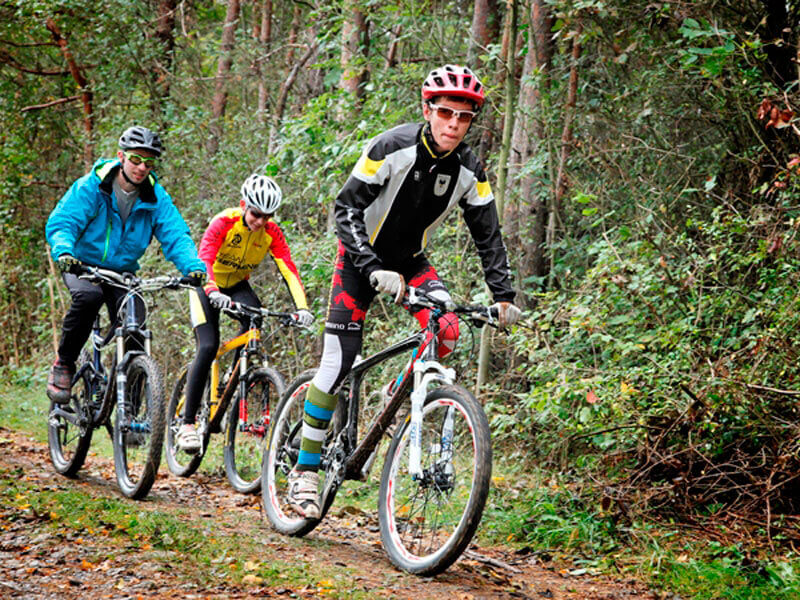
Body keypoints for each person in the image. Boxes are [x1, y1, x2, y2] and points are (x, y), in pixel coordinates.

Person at [286, 64, 522, 518]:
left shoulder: (471, 169)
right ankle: (305, 472)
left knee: (448, 330)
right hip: (359, 259)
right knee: (337, 364)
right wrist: (372, 267)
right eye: (446, 112)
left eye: (465, 116)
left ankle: (391, 399)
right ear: (427, 109)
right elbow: (346, 208)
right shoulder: (390, 146)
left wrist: (504, 296)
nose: (454, 123)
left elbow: (488, 234)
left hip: (411, 262)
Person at [46, 125, 207, 404]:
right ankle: (65, 362)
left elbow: (175, 235)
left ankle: (130, 409)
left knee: (135, 323)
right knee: (88, 297)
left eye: (149, 162)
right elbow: (63, 222)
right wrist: (64, 252)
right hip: (83, 265)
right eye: (135, 159)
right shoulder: (91, 187)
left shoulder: (156, 198)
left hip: (122, 272)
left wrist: (192, 266)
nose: (142, 167)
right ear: (121, 156)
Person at [175, 174, 314, 453]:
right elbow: (205, 258)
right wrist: (212, 290)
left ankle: (233, 381)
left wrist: (302, 308)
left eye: (267, 216)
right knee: (208, 345)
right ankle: (187, 423)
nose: (260, 222)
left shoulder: (272, 232)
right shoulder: (223, 223)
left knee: (255, 319)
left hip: (237, 284)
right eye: (255, 214)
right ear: (243, 206)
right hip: (206, 284)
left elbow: (288, 268)